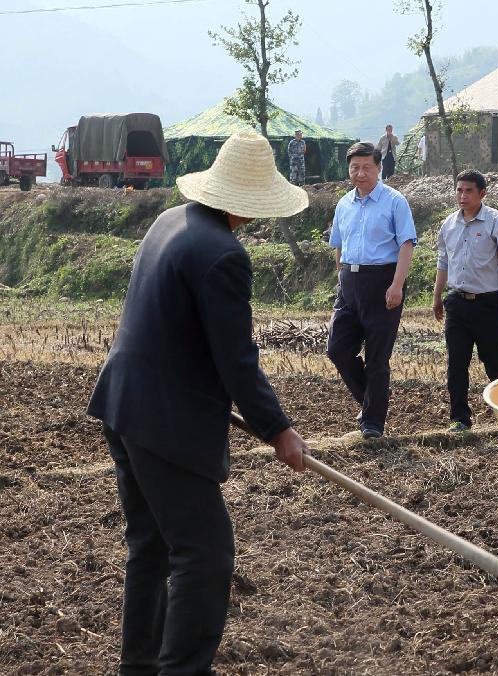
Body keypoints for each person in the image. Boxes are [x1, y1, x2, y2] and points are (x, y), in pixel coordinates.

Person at [86, 130, 311, 675]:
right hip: (164, 423)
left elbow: (176, 329)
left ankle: (139, 666)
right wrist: (278, 429)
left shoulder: (171, 223)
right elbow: (237, 360)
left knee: (151, 546)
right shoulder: (223, 255)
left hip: (124, 404)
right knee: (204, 555)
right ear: (247, 203)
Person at [327, 142, 417, 438]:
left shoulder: (394, 201)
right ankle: (371, 401)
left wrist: (396, 284)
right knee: (338, 349)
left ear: (379, 168)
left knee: (377, 357)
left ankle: (373, 424)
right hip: (350, 283)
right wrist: (340, 275)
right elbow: (338, 245)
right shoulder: (343, 204)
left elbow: (406, 244)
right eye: (355, 167)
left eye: (367, 167)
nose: (360, 173)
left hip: (383, 283)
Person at [432, 170, 498, 432]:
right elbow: (443, 262)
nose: (462, 195)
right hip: (457, 303)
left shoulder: (496, 222)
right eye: (459, 190)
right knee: (456, 362)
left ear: (482, 193)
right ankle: (459, 418)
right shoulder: (449, 224)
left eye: (468, 190)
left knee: (494, 360)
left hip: (488, 303)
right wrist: (437, 296)